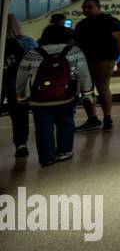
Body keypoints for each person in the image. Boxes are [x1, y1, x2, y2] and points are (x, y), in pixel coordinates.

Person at [14, 24, 92, 167]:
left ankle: (47, 157)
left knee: (43, 127)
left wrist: (20, 96)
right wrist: (87, 94)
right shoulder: (74, 51)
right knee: (66, 122)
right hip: (66, 96)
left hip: (39, 99)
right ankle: (64, 151)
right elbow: (84, 74)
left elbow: (21, 76)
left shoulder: (33, 53)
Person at [72, 0, 120, 132]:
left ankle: (107, 118)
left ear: (98, 7)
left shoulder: (109, 21)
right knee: (86, 91)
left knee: (103, 88)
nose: (86, 10)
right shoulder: (81, 24)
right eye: (84, 7)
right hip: (85, 62)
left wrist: (118, 58)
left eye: (89, 7)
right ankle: (93, 119)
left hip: (104, 60)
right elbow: (76, 44)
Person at [3, 14, 37, 157]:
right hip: (20, 84)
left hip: (3, 82)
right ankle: (21, 143)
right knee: (19, 116)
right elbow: (36, 61)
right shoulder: (27, 41)